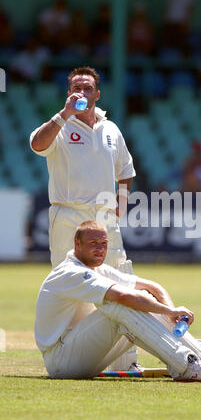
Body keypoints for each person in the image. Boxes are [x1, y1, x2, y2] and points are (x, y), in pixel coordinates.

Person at [34, 220, 201, 381]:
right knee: (120, 303)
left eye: (104, 244)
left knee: (142, 300)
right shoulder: (70, 272)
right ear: (77, 244)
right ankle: (187, 366)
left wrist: (169, 311)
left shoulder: (96, 268)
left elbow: (152, 287)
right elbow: (123, 296)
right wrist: (168, 312)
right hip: (61, 360)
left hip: (81, 353)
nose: (100, 249)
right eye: (93, 244)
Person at [30, 66, 138, 371]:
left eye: (87, 87)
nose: (82, 92)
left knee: (120, 278)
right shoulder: (59, 127)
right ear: (68, 94)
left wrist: (123, 200)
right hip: (68, 215)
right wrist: (63, 115)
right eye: (76, 88)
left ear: (97, 94)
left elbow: (126, 171)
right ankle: (74, 354)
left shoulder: (111, 129)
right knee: (72, 285)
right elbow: (38, 145)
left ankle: (126, 361)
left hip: (104, 218)